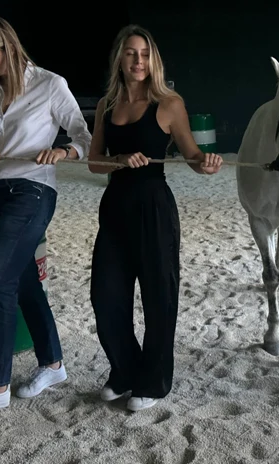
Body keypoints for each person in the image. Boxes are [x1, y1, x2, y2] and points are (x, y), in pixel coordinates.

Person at [0, 16, 92, 414]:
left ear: (8, 48)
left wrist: (63, 151)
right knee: (25, 281)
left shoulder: (50, 84)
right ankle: (53, 364)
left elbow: (83, 136)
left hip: (33, 191)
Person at [88, 25, 222, 413]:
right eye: (131, 53)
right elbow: (95, 163)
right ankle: (126, 371)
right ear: (120, 58)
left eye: (145, 54)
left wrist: (207, 163)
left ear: (154, 60)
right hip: (115, 206)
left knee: (158, 298)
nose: (139, 61)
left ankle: (154, 381)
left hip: (154, 208)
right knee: (106, 296)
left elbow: (193, 156)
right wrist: (118, 160)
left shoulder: (168, 103)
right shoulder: (107, 105)